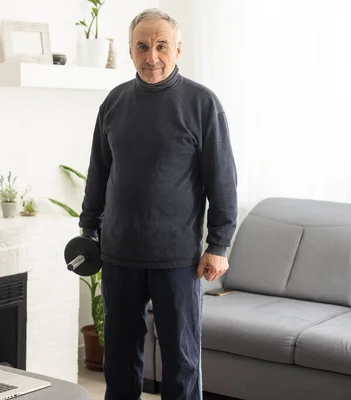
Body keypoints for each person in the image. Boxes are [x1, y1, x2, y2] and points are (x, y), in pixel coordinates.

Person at [78, 8, 238, 400]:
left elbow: (223, 180)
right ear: (130, 53)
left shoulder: (203, 105)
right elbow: (98, 172)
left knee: (181, 361)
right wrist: (88, 230)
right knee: (119, 359)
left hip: (178, 258)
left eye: (162, 45)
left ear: (178, 49)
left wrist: (218, 245)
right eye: (143, 47)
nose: (153, 56)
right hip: (118, 254)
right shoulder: (114, 103)